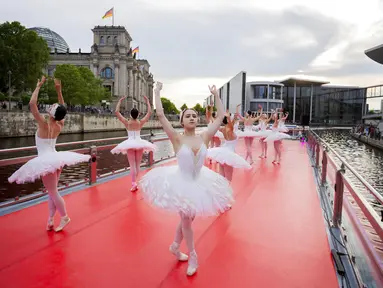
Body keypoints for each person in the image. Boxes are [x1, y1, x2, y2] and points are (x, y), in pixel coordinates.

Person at [139, 82, 233, 276]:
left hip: (199, 182)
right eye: (188, 115)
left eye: (194, 115)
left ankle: (174, 245)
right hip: (181, 183)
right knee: (187, 221)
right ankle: (193, 255)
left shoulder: (205, 136)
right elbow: (161, 115)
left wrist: (216, 95)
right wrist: (156, 92)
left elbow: (221, 116)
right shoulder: (176, 138)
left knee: (188, 217)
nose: (192, 117)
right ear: (182, 121)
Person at [8, 77, 90, 232]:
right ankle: (50, 219)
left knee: (53, 192)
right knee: (52, 192)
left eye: (53, 105)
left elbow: (32, 104)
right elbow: (63, 109)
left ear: (52, 112)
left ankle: (65, 216)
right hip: (55, 159)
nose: (52, 105)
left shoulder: (43, 124)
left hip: (46, 160)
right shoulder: (59, 124)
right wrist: (59, 91)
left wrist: (38, 86)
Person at [111, 95, 155, 191]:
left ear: (130, 114)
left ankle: (133, 183)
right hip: (139, 143)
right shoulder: (140, 122)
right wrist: (147, 101)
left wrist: (120, 101)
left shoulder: (127, 122)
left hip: (130, 143)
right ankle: (136, 182)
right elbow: (149, 112)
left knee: (132, 165)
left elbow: (117, 112)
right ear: (138, 114)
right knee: (137, 165)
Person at [207, 110, 251, 182]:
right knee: (228, 178)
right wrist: (228, 117)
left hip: (222, 152)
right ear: (228, 120)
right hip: (229, 154)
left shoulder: (223, 129)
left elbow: (219, 124)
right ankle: (226, 192)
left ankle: (222, 191)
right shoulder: (229, 129)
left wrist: (214, 117)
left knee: (221, 176)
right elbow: (230, 125)